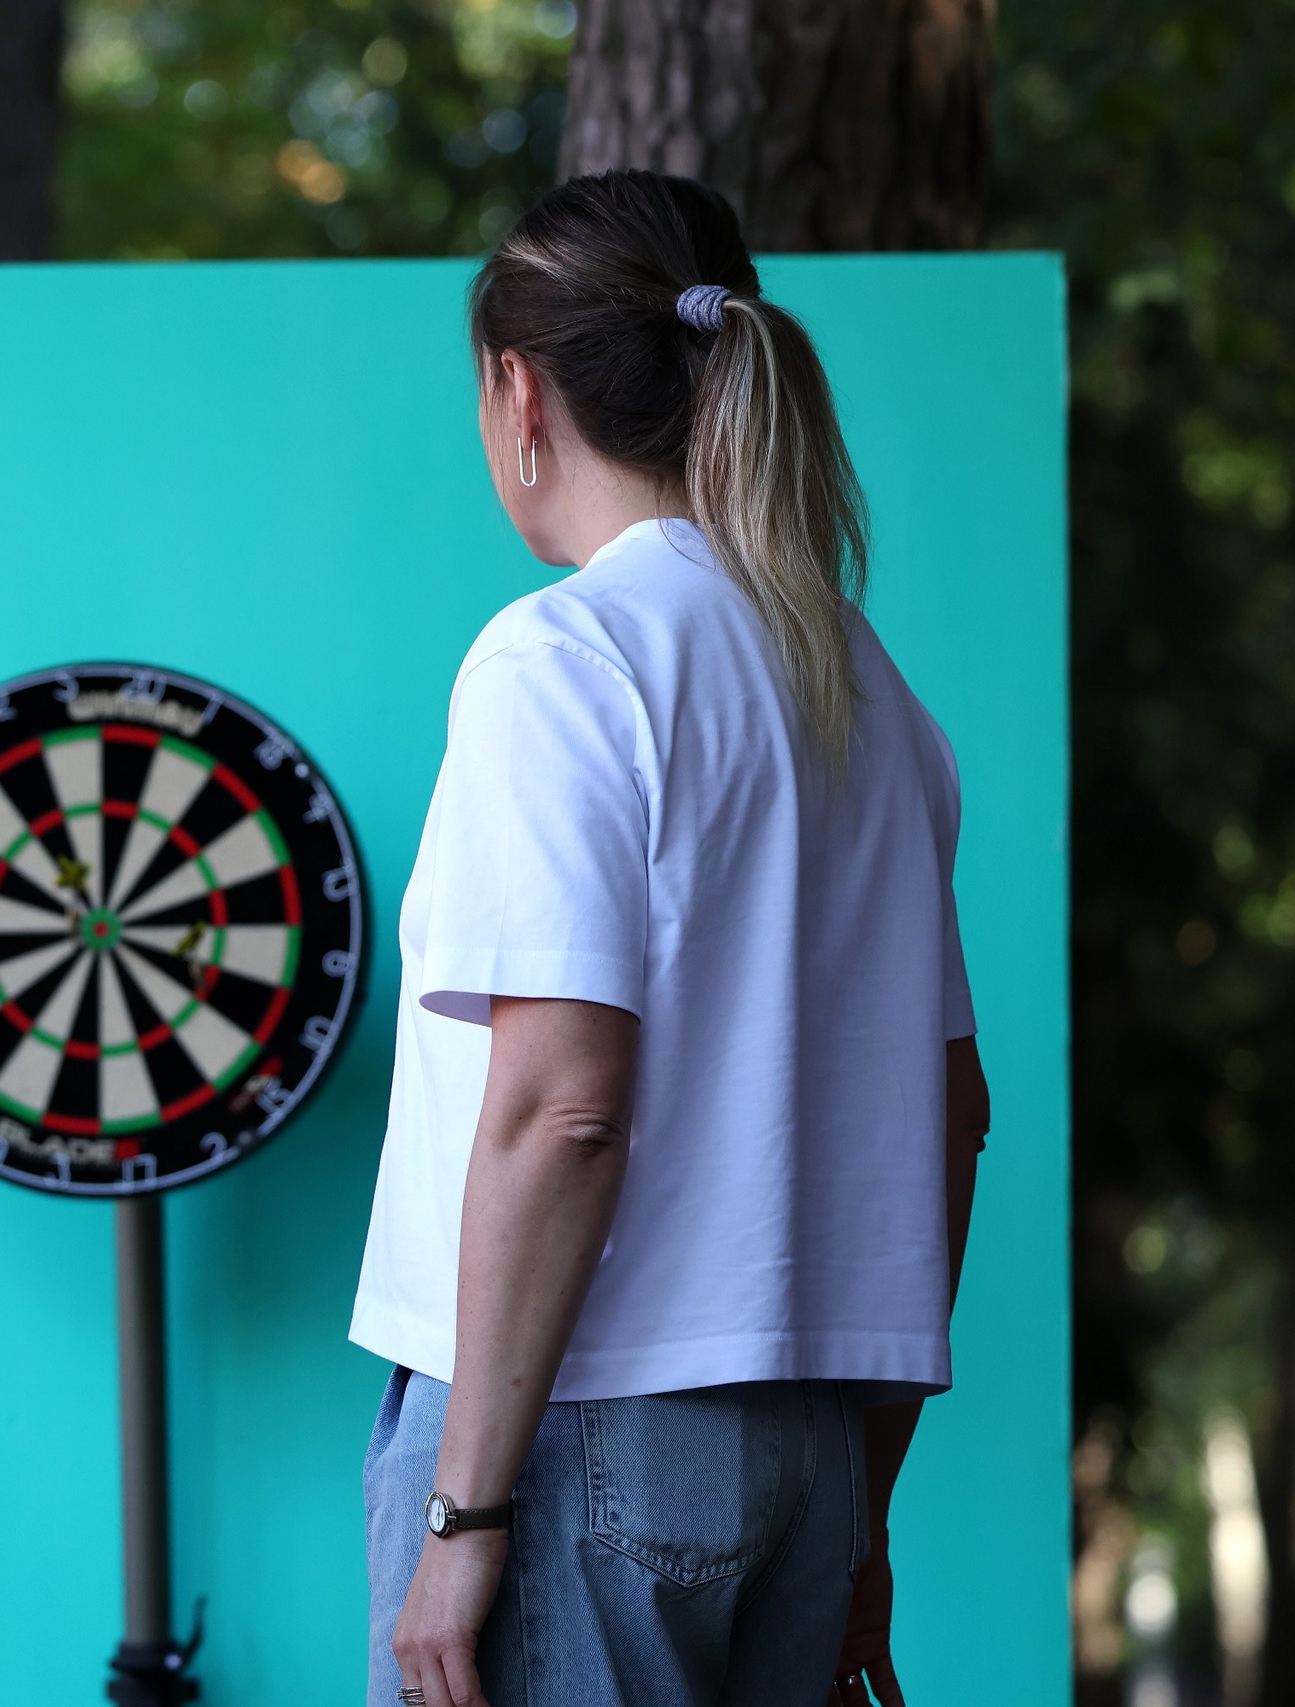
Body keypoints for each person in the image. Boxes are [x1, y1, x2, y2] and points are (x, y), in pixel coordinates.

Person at [353, 169, 990, 1707]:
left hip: (568, 1438)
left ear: (518, 389)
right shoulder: (865, 685)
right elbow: (954, 1118)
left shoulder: (564, 658)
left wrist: (466, 1508)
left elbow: (566, 1101)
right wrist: (863, 1516)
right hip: (806, 1450)